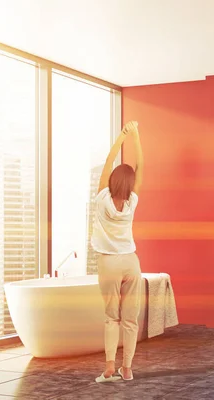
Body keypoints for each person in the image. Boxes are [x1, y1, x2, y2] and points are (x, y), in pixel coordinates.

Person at [92, 121, 144, 383]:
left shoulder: (102, 197)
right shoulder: (132, 201)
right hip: (131, 263)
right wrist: (135, 137)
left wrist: (121, 136)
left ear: (112, 181)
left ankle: (110, 366)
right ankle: (128, 369)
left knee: (111, 317)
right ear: (131, 184)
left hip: (108, 263)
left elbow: (109, 160)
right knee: (130, 319)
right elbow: (142, 166)